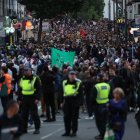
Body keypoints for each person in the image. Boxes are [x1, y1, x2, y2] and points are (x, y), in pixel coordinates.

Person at [18, 67, 41, 134]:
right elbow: (20, 89)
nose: (25, 72)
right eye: (24, 71)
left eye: (26, 71)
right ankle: (24, 129)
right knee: (24, 114)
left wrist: (37, 98)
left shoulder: (35, 78)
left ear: (30, 71)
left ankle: (37, 128)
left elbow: (39, 90)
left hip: (32, 98)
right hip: (24, 98)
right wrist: (19, 98)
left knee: (34, 114)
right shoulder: (22, 79)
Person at [61, 70, 83, 137]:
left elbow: (81, 94)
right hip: (66, 101)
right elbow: (61, 92)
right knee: (66, 117)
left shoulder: (78, 83)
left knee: (74, 118)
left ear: (75, 76)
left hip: (74, 101)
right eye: (71, 74)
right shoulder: (64, 82)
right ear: (68, 75)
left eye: (73, 75)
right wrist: (61, 102)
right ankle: (67, 131)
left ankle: (74, 132)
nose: (72, 76)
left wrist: (79, 103)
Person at [91, 74, 110, 140]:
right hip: (106, 105)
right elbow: (110, 95)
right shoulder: (107, 85)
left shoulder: (96, 86)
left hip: (98, 106)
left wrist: (92, 106)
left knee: (99, 122)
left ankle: (102, 135)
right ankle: (105, 134)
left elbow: (92, 98)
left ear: (98, 79)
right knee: (105, 121)